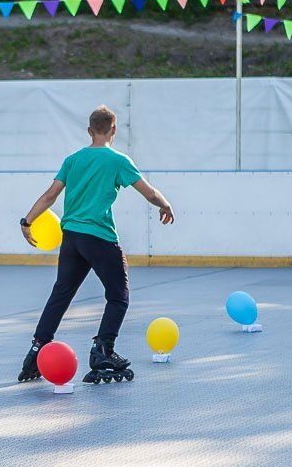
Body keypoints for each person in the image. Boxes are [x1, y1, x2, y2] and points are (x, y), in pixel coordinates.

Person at [18, 105, 175, 384]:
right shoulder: (118, 160)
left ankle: (37, 349)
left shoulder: (73, 160)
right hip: (100, 238)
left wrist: (26, 221)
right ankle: (103, 350)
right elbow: (149, 193)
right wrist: (165, 204)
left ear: (89, 131)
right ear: (114, 129)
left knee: (61, 293)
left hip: (71, 238)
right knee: (118, 295)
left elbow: (50, 196)